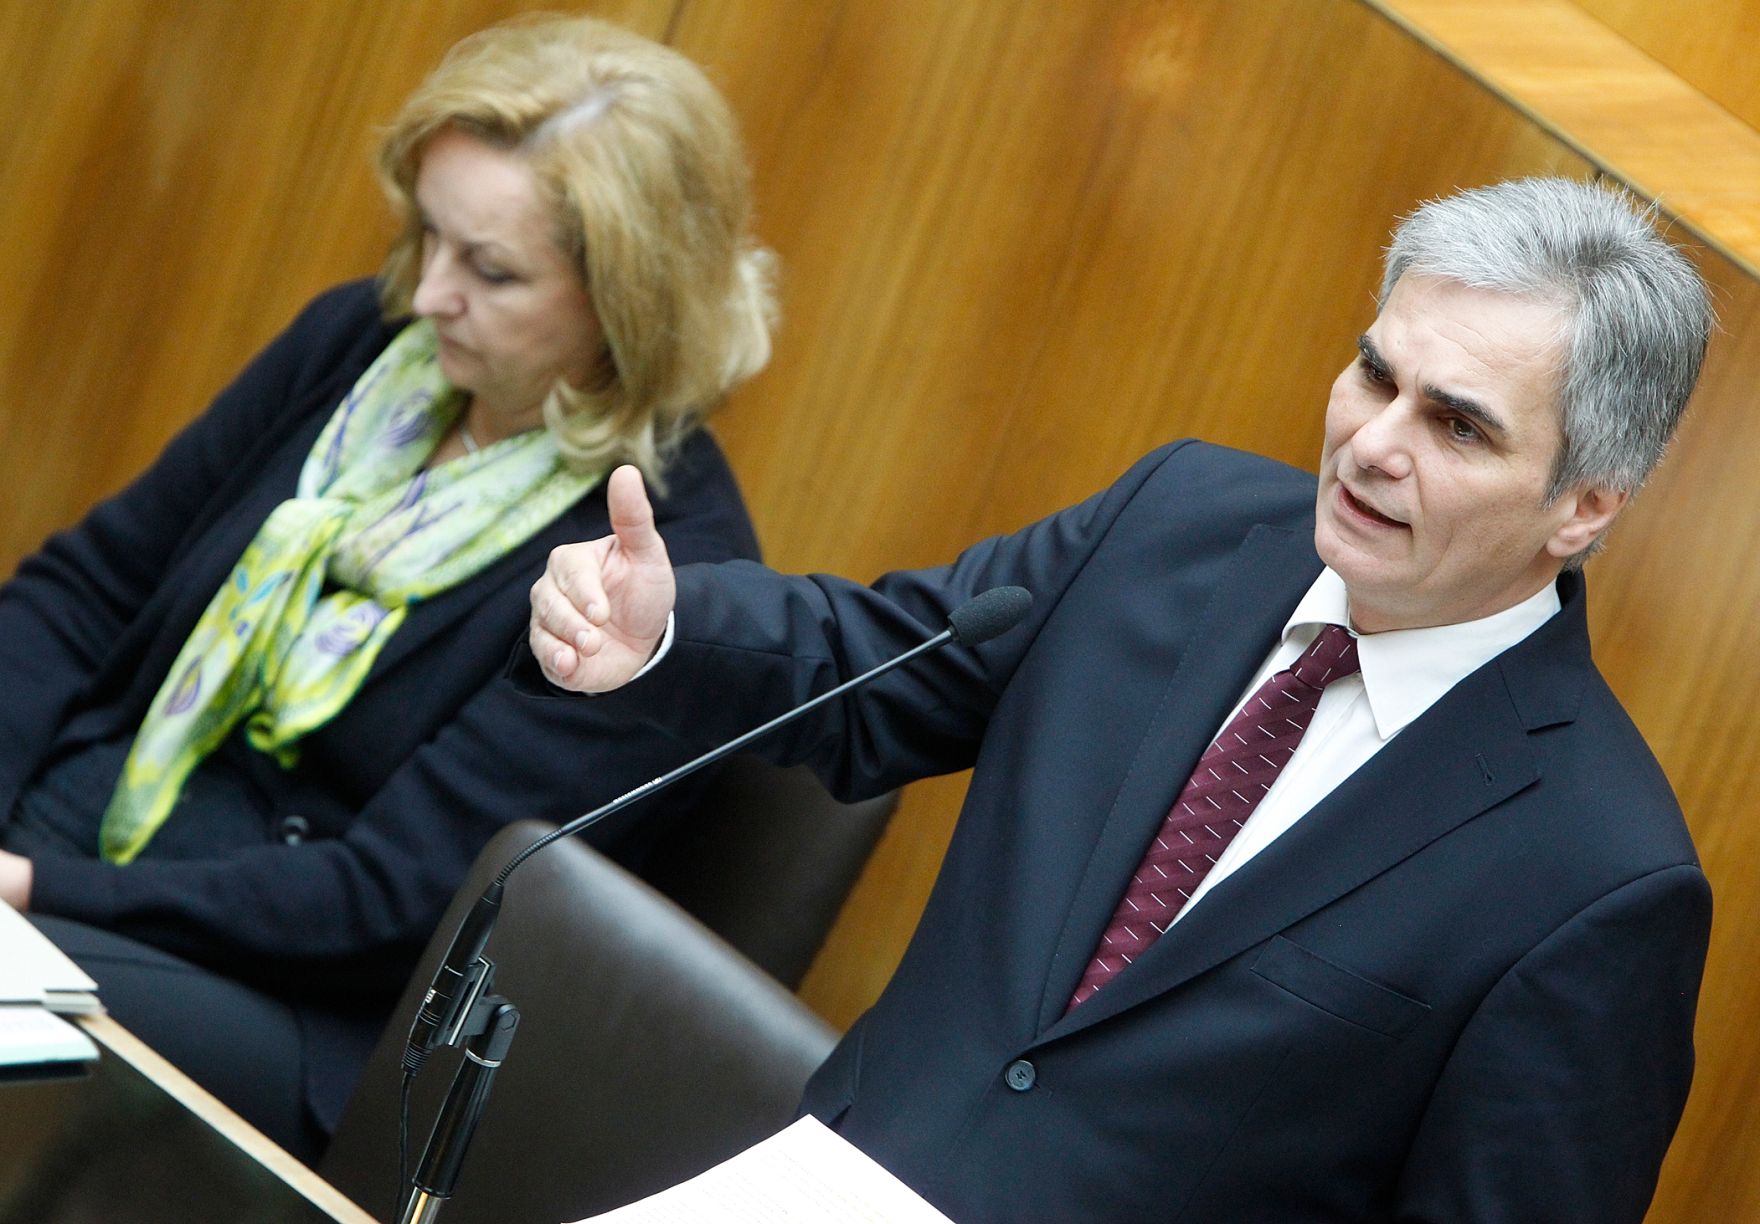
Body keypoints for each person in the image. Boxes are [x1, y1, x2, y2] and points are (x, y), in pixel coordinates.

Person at [528, 177, 1714, 1222]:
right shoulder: (1173, 522)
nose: (1368, 444)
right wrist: (666, 625)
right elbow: (875, 669)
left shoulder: (1596, 879)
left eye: (1455, 424)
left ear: (1583, 509)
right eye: (1373, 374)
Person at [0, 14, 773, 1161]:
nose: (425, 293)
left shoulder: (657, 572)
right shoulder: (354, 346)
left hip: (297, 998)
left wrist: (35, 888)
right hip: (87, 827)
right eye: (427, 234)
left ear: (629, 304)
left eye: (491, 270)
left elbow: (388, 905)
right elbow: (81, 592)